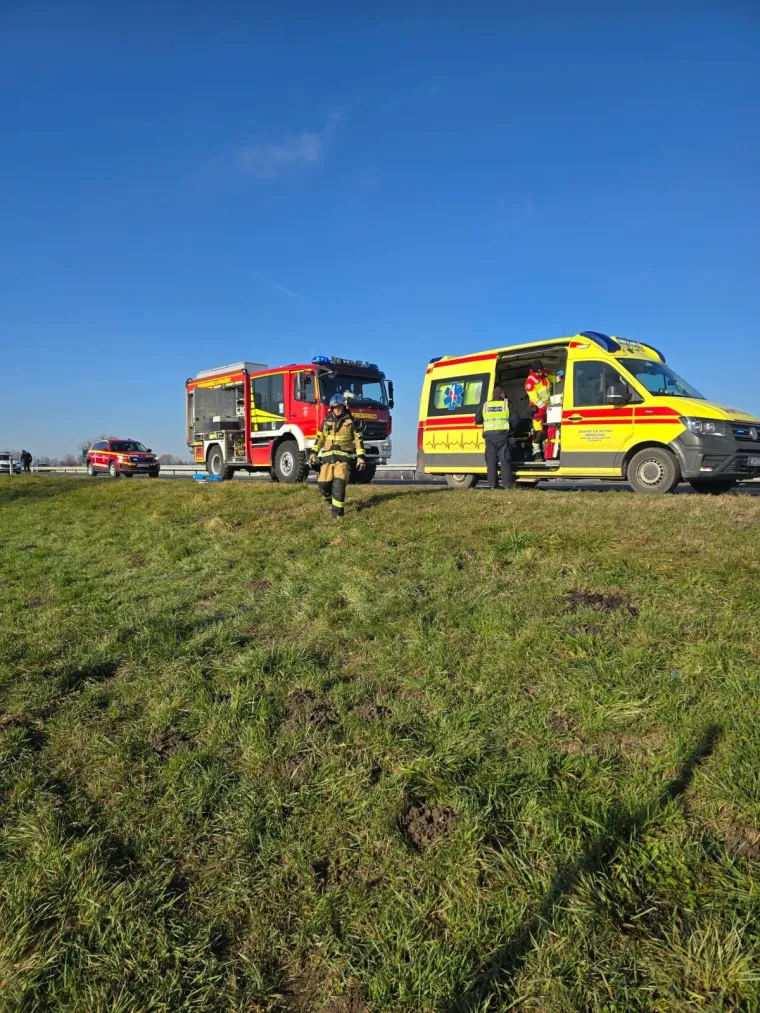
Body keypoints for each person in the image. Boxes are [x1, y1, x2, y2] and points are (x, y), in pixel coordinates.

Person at [309, 394, 366, 518]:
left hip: (344, 460)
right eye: (335, 407)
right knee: (323, 485)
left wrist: (361, 457)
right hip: (328, 460)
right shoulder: (326, 422)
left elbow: (358, 440)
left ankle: (337, 515)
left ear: (343, 406)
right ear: (332, 408)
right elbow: (320, 439)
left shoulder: (351, 422)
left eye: (339, 406)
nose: (337, 409)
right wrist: (313, 453)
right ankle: (330, 502)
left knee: (338, 485)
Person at [475, 385, 514, 489]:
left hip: (489, 438)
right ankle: (507, 486)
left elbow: (477, 418)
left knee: (491, 462)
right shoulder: (506, 405)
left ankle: (493, 486)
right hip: (503, 436)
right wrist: (512, 430)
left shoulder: (486, 405)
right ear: (502, 394)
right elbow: (516, 420)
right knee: (504, 460)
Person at [525, 362, 563, 460]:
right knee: (538, 433)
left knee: (548, 430)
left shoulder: (546, 373)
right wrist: (544, 407)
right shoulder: (530, 382)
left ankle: (548, 452)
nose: (539, 374)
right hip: (537, 409)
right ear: (533, 372)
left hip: (548, 407)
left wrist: (559, 377)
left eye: (540, 371)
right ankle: (537, 454)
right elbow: (534, 398)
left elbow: (553, 380)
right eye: (537, 373)